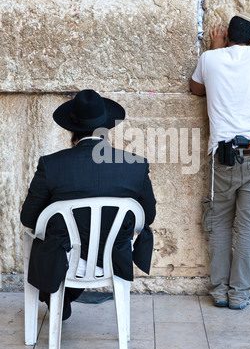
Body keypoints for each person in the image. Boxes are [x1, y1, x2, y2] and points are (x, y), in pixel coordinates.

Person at [21, 89, 156, 319]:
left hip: (64, 260)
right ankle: (66, 296)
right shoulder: (135, 165)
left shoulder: (51, 165)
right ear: (106, 129)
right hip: (114, 258)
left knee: (47, 239)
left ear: (72, 130)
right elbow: (148, 217)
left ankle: (59, 296)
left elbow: (28, 218)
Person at [190, 14, 250, 310]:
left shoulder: (210, 59)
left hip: (224, 158)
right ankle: (240, 295)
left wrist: (215, 50)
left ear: (226, 34)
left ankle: (219, 292)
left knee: (219, 225)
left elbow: (196, 89)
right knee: (247, 227)